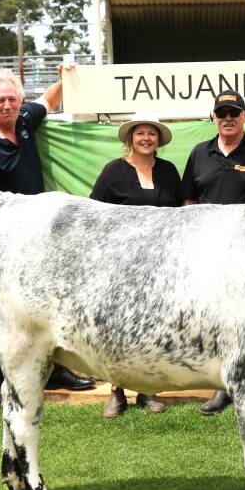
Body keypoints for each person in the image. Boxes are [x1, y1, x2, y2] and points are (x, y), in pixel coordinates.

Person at [0, 66, 96, 404]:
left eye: (12, 99)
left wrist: (69, 76)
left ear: (20, 101)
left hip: (40, 237)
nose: (7, 105)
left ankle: (54, 370)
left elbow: (50, 100)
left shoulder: (25, 121)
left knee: (47, 302)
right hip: (4, 241)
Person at [181, 88, 245, 414]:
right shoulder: (199, 153)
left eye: (234, 113)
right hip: (209, 253)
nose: (228, 119)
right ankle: (220, 386)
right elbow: (188, 204)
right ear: (214, 118)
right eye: (221, 113)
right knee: (214, 319)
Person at [90, 112, 181, 418]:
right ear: (130, 138)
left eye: (151, 134)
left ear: (158, 140)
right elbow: (95, 214)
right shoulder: (112, 172)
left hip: (162, 264)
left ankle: (147, 390)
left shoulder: (168, 171)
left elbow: (182, 213)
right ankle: (116, 391)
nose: (146, 138)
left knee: (154, 326)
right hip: (120, 266)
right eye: (140, 133)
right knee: (118, 328)